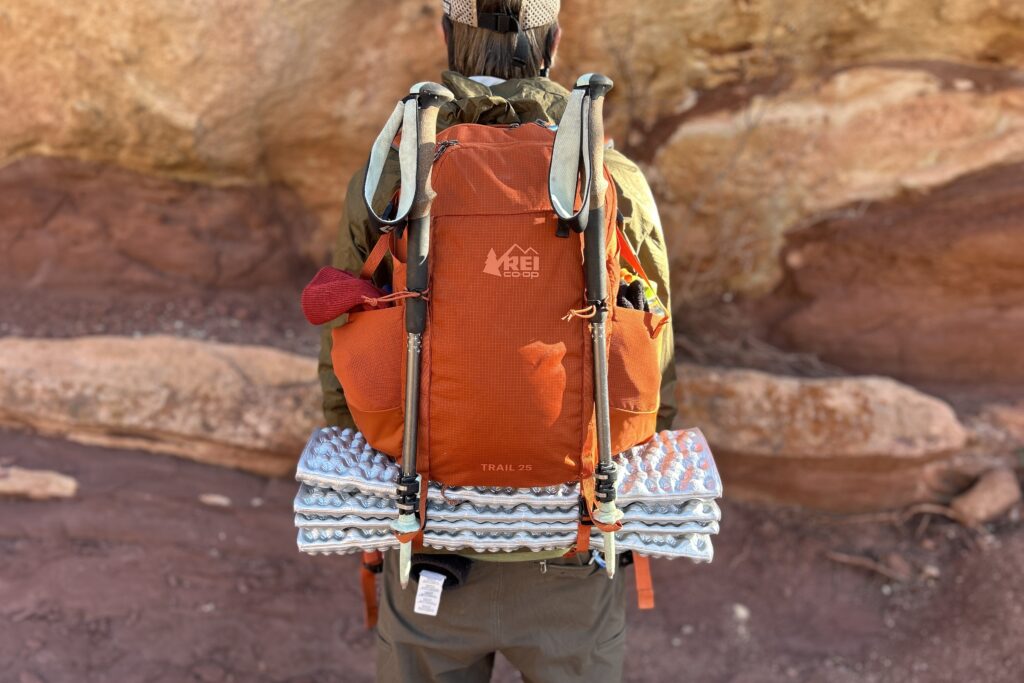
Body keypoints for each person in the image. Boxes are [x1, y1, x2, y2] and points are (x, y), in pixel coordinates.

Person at [318, 1, 675, 680]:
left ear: (444, 33)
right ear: (555, 42)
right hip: (571, 548)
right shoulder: (611, 178)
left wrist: (374, 495)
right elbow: (654, 364)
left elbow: (343, 351)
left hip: (427, 543)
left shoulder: (395, 172)